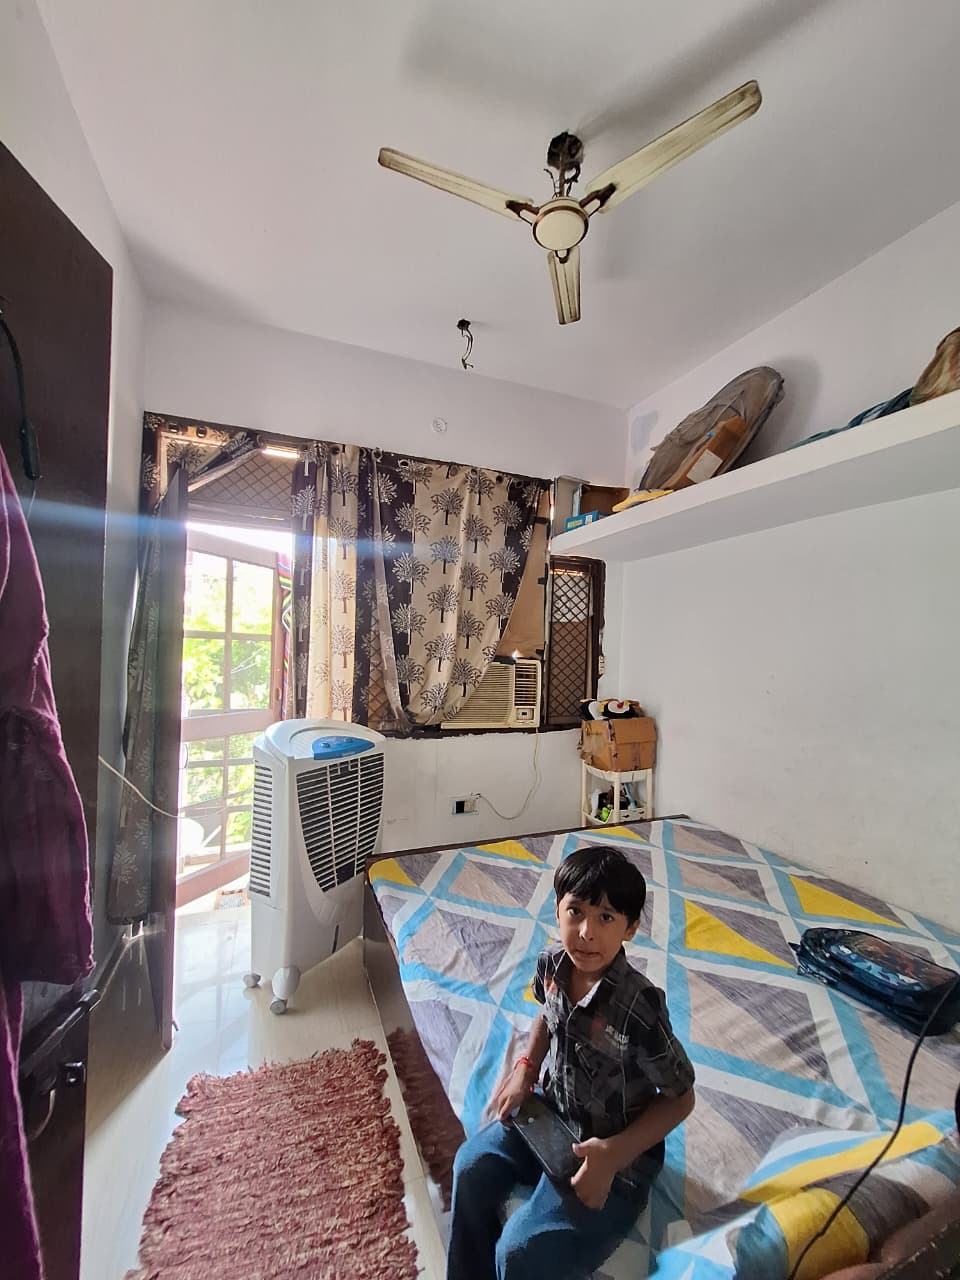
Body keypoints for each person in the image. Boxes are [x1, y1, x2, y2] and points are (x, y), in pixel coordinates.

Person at [446, 846, 696, 1280]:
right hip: (552, 1114)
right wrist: (525, 1068)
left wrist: (613, 1156)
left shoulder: (639, 1006)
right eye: (575, 911)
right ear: (557, 910)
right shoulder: (553, 964)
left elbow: (681, 1097)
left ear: (631, 928)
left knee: (521, 1251)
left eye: (605, 918)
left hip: (614, 1150)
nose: (585, 932)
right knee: (469, 1165)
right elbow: (547, 1013)